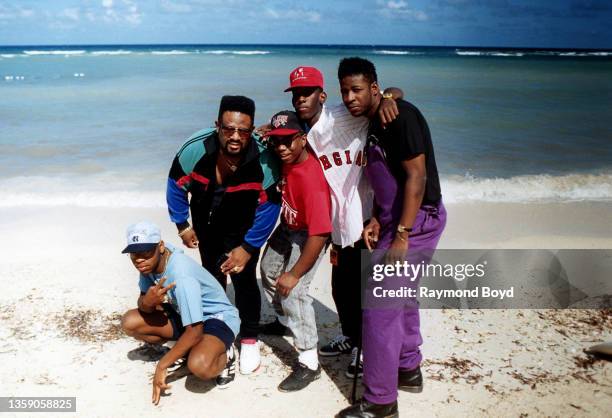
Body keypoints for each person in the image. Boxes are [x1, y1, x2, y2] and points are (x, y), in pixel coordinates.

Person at [266, 66, 402, 380]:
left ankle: (366, 349)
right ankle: (351, 337)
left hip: (365, 212)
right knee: (341, 288)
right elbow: (286, 137)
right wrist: (268, 127)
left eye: (308, 93)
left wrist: (391, 96)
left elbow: (379, 94)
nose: (301, 99)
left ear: (322, 96)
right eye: (297, 93)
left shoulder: (345, 114)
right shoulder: (300, 130)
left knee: (364, 286)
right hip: (337, 217)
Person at [335, 58, 446, 418]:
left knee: (379, 310)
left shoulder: (400, 117)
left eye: (356, 89)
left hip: (415, 222)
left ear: (374, 87)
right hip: (394, 221)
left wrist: (401, 235)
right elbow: (389, 182)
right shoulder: (377, 117)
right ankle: (407, 369)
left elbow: (417, 178)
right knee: (402, 297)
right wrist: (377, 219)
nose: (350, 98)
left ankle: (380, 402)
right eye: (344, 91)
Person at [166, 95, 281, 376]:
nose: (235, 137)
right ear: (217, 125)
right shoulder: (194, 150)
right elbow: (175, 185)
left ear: (252, 129)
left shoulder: (265, 161)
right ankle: (221, 332)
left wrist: (248, 246)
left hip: (243, 225)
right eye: (229, 128)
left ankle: (250, 338)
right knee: (212, 278)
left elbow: (270, 207)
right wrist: (182, 225)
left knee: (244, 280)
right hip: (206, 223)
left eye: (243, 130)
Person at [119, 221, 241, 403]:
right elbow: (143, 302)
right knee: (130, 322)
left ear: (160, 247)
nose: (139, 259)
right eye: (134, 253)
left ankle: (227, 353)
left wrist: (162, 365)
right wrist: (147, 302)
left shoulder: (181, 275)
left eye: (145, 252)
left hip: (216, 318)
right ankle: (188, 348)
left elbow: (196, 330)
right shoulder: (148, 263)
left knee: (199, 365)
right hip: (186, 313)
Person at [259, 110, 332, 392]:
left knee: (294, 289)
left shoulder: (311, 179)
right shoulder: (284, 155)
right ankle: (283, 320)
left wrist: (295, 273)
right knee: (267, 271)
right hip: (288, 224)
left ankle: (309, 360)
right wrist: (266, 131)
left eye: (288, 141)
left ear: (302, 139)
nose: (281, 147)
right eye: (276, 142)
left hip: (310, 233)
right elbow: (268, 136)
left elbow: (320, 233)